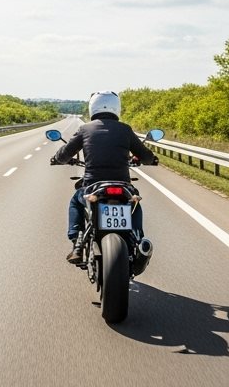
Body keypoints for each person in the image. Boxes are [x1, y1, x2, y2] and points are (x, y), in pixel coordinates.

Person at [50, 91, 158, 264]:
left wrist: (57, 159)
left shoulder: (85, 129)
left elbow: (64, 154)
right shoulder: (125, 129)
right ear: (117, 107)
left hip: (93, 186)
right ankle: (138, 240)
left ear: (93, 107)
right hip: (123, 186)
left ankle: (77, 244)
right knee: (135, 204)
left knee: (75, 202)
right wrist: (152, 160)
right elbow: (145, 156)